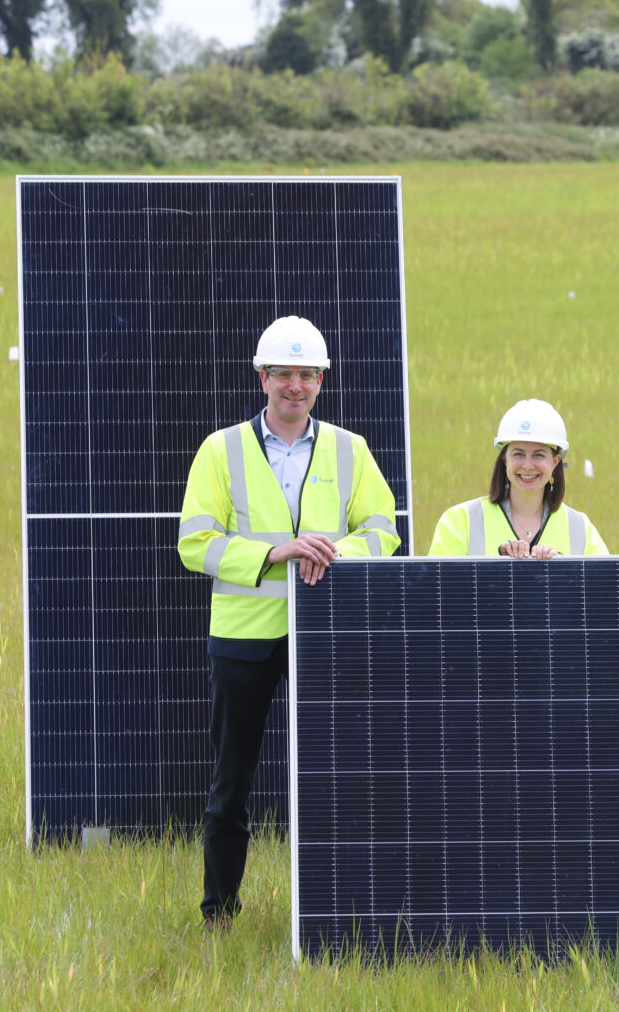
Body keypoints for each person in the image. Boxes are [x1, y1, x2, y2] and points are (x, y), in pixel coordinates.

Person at [177, 315, 400, 932]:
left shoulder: (349, 450)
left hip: (325, 635)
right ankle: (219, 914)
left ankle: (339, 911)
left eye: (307, 375)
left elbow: (385, 531)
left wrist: (331, 551)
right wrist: (274, 553)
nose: (294, 386)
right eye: (283, 374)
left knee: (338, 777)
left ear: (322, 381)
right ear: (262, 377)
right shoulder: (220, 450)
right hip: (244, 637)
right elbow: (194, 543)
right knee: (231, 783)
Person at [428, 398, 609, 558]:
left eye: (538, 455)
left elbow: (604, 590)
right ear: (504, 459)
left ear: (555, 462)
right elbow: (437, 592)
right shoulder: (459, 522)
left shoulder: (579, 528)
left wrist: (560, 572)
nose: (528, 465)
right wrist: (498, 570)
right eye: (518, 454)